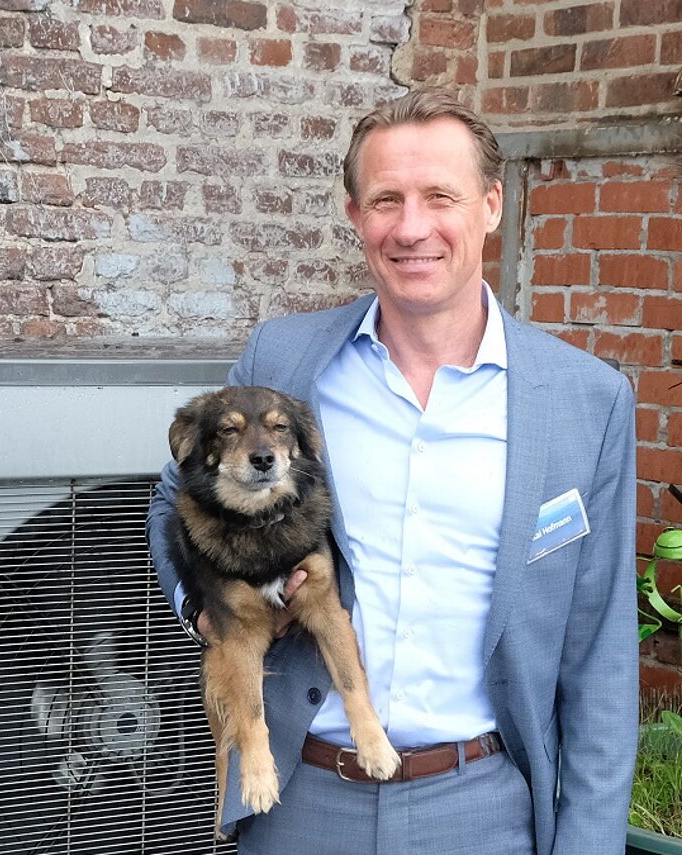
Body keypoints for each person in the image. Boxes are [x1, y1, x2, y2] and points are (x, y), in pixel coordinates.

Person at [147, 87, 636, 855]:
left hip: (484, 809)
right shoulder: (286, 360)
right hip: (304, 806)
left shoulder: (587, 401)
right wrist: (206, 610)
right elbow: (175, 494)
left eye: (440, 195)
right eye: (385, 200)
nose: (412, 228)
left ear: (490, 206)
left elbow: (601, 659)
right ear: (355, 215)